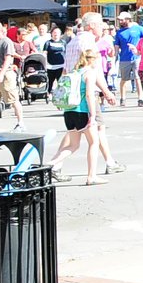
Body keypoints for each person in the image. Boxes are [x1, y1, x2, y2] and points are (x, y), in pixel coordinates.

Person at [47, 44, 122, 184]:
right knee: (94, 142)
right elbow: (89, 95)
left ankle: (50, 164)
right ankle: (91, 176)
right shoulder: (90, 73)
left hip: (69, 112)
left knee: (73, 145)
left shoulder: (74, 71)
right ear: (93, 60)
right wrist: (92, 116)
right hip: (82, 111)